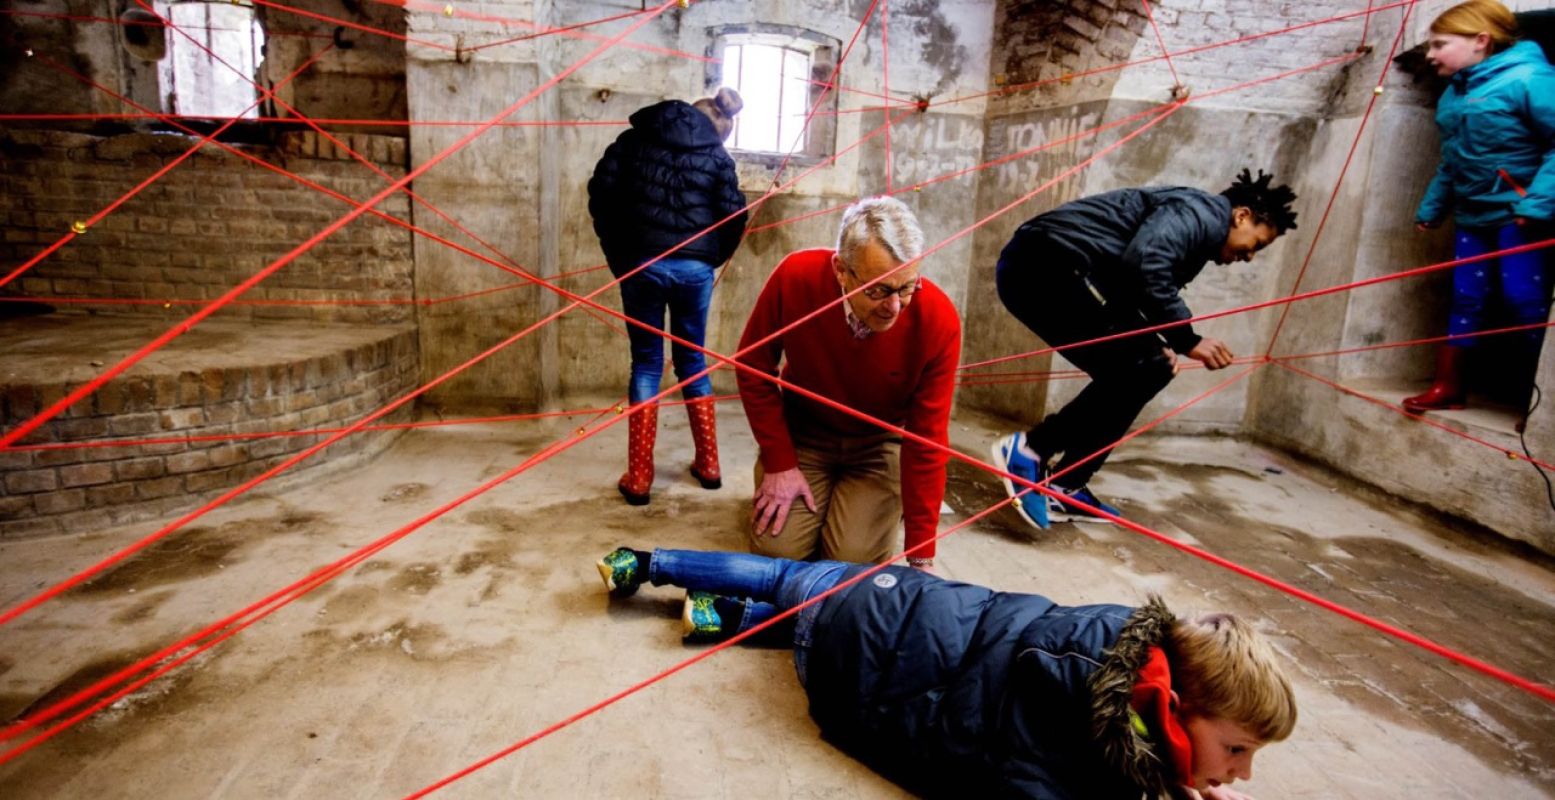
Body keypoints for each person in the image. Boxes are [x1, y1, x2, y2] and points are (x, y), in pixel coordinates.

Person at [595, 546, 1296, 800]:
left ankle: (647, 563)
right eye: (1235, 749)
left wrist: (1163, 778)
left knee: (789, 584)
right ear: (1172, 707)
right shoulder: (1070, 734)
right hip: (852, 650)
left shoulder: (1113, 637)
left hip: (887, 600)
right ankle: (710, 609)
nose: (1240, 773)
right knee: (793, 594)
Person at [991, 172, 1298, 528]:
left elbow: (1132, 283)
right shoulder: (1200, 215)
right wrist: (1188, 341)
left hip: (1059, 270)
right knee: (1144, 363)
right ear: (1242, 216)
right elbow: (1146, 262)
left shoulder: (1199, 226)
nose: (1249, 257)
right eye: (1257, 244)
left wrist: (1162, 344)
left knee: (1153, 365)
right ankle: (1030, 450)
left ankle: (1068, 484)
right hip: (1047, 266)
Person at [735, 196, 962, 570]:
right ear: (841, 270)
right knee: (779, 553)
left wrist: (922, 552)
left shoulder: (937, 318)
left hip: (877, 445)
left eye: (907, 287)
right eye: (878, 290)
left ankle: (869, 509)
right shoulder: (796, 277)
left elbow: (927, 439)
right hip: (804, 435)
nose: (894, 307)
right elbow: (752, 365)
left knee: (849, 564)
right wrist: (779, 462)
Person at [587, 87, 749, 505]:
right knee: (692, 359)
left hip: (641, 263)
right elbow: (734, 214)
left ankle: (640, 477)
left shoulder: (634, 139)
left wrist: (620, 255)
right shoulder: (717, 156)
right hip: (694, 269)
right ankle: (709, 466)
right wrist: (710, 259)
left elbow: (601, 193)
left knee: (646, 363)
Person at [1408, 0, 1554, 425]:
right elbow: (1452, 158)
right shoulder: (1456, 92)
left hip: (1520, 216)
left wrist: (1538, 203)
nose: (1431, 54)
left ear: (1481, 41)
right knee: (1466, 299)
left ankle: (1537, 405)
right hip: (1473, 216)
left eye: (1440, 44)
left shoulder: (1531, 79)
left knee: (1524, 300)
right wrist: (1433, 207)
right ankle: (1449, 385)